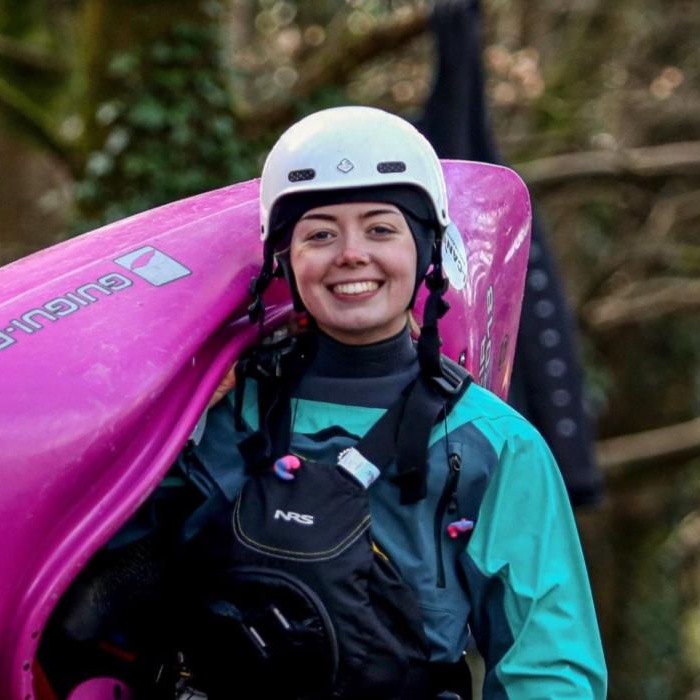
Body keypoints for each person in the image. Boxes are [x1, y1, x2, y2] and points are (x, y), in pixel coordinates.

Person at [47, 106, 606, 700]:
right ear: (285, 258)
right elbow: (85, 578)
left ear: (425, 249)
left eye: (381, 228)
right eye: (319, 233)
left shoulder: (494, 444)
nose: (350, 254)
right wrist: (167, 422)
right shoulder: (216, 420)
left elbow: (550, 668)